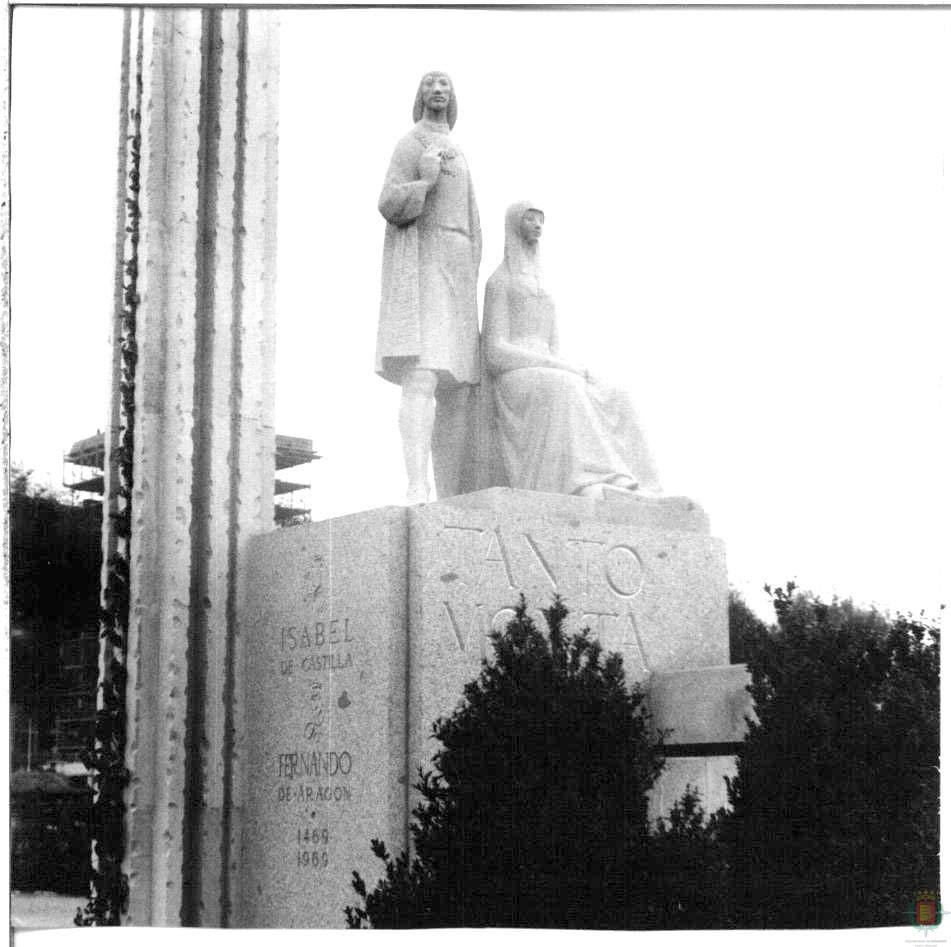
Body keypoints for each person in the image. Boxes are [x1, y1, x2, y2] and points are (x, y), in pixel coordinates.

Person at [481, 201, 662, 498]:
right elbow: (495, 352)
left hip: (550, 367)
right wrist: (559, 367)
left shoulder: (545, 287)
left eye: (541, 220)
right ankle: (584, 480)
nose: (537, 225)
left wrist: (570, 367)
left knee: (615, 393)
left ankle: (634, 483)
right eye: (529, 219)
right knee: (564, 386)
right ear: (515, 224)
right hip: (517, 377)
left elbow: (554, 347)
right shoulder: (499, 282)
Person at [375, 71, 481, 504]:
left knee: (457, 383)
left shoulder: (460, 150)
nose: (438, 90)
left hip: (458, 266)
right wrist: (425, 181)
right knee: (422, 374)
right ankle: (417, 482)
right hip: (424, 259)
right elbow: (388, 202)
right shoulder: (410, 143)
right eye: (430, 85)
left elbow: (473, 220)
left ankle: (454, 490)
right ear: (419, 95)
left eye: (446, 85)